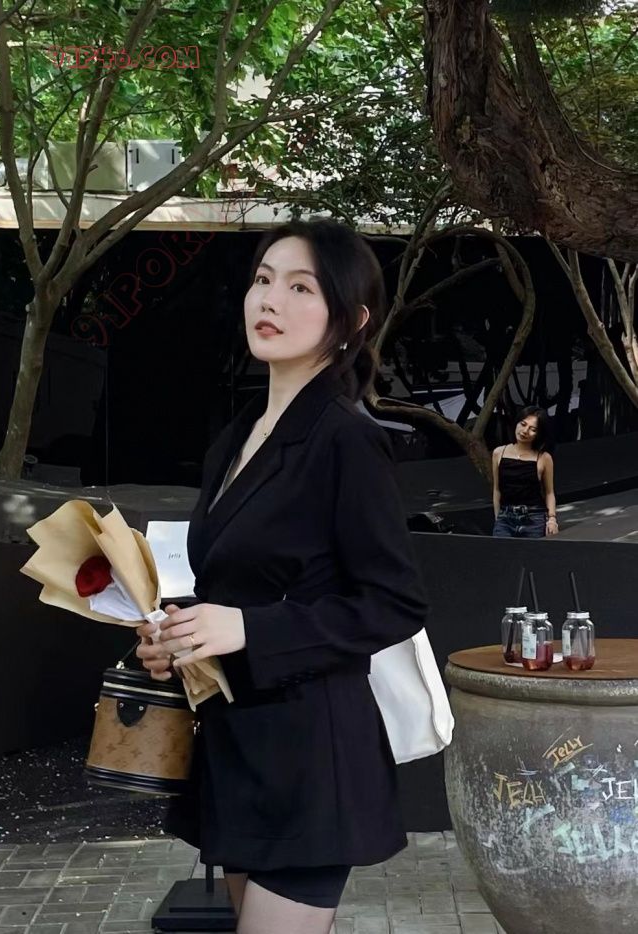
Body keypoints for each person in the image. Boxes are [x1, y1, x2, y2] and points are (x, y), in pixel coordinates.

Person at [135, 218, 429, 934]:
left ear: (350, 321)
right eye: (263, 280)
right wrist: (177, 636)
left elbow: (395, 602)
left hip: (311, 757)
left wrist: (246, 629)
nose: (270, 300)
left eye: (302, 288)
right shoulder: (236, 438)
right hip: (237, 748)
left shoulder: (347, 440)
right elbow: (233, 587)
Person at [492, 406, 558, 538]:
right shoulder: (498, 453)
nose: (525, 431)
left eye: (533, 429)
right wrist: (498, 518)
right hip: (505, 518)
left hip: (534, 518)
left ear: (538, 434)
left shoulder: (544, 458)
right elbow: (497, 489)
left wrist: (552, 519)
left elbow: (549, 492)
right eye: (523, 424)